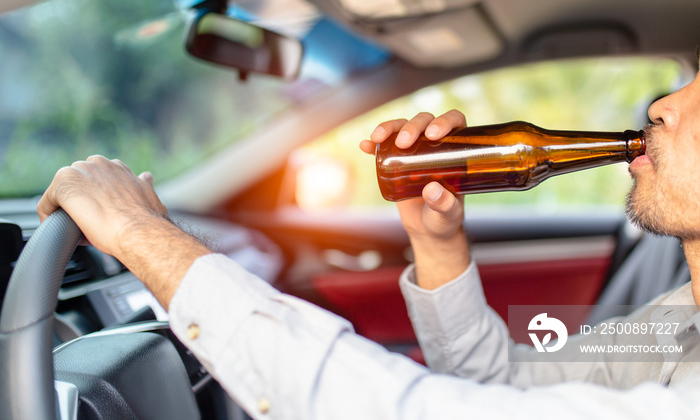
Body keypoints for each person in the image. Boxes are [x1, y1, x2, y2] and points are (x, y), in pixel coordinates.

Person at [36, 69, 700, 418]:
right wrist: (435, 238)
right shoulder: (678, 319)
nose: (664, 104)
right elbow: (499, 388)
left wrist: (145, 239)